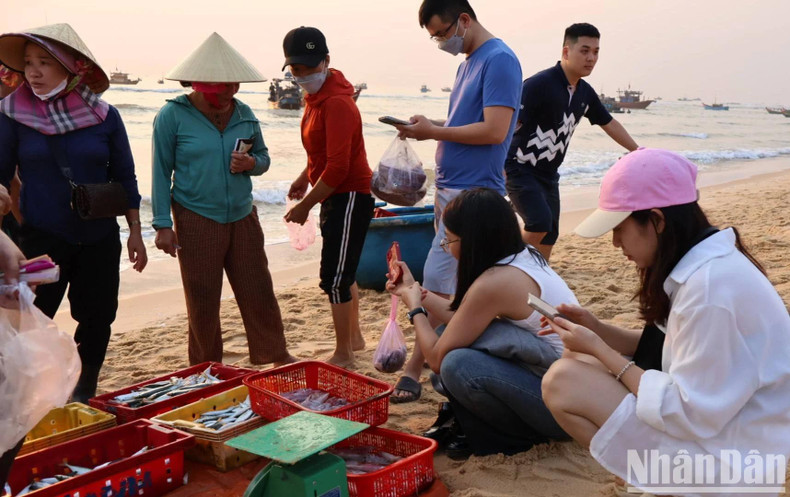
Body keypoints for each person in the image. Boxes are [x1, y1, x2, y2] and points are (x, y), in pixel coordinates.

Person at [541, 148, 790, 495]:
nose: (614, 243)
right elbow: (665, 344)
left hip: (730, 464)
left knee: (562, 381)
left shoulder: (710, 290)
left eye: (620, 228)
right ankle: (651, 479)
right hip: (730, 433)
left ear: (657, 220)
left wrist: (599, 348)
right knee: (577, 360)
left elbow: (687, 411)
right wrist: (595, 329)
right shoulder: (705, 267)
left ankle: (656, 482)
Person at [0, 23, 147, 403]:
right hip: (41, 238)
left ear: (70, 67)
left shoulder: (104, 115)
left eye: (45, 62)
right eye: (29, 63)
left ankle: (83, 392)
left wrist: (135, 229)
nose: (33, 71)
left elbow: (125, 175)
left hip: (99, 237)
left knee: (97, 320)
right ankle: (32, 397)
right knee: (33, 323)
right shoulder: (11, 114)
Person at [391, 0, 522, 403]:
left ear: (464, 20)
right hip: (450, 187)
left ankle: (416, 368)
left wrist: (435, 133)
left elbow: (495, 130)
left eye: (443, 33)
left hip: (471, 193)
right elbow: (469, 121)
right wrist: (428, 127)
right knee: (448, 283)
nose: (441, 41)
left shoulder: (499, 59)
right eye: (435, 36)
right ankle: (438, 361)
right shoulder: (468, 61)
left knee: (433, 278)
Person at [387, 188, 575, 459]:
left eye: (448, 241)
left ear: (471, 241)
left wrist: (414, 308)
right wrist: (417, 291)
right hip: (565, 387)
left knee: (456, 365)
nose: (447, 247)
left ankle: (514, 436)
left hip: (561, 411)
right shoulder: (522, 256)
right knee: (451, 339)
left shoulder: (495, 283)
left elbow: (437, 359)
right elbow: (464, 319)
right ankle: (483, 422)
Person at [152, 33, 294, 367]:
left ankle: (275, 354)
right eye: (222, 86)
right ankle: (206, 365)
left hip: (243, 215)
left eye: (234, 84)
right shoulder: (172, 116)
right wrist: (162, 224)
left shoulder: (244, 113)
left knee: (258, 288)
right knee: (202, 298)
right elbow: (160, 172)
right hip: (196, 216)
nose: (230, 92)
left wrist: (252, 163)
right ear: (199, 83)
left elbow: (263, 158)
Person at [505, 23, 638, 261]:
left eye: (596, 52)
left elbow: (609, 123)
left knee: (550, 233)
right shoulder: (539, 84)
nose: (591, 58)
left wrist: (639, 151)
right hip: (518, 167)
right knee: (539, 223)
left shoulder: (584, 92)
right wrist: (497, 167)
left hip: (548, 174)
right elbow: (508, 126)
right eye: (584, 51)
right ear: (566, 52)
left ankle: (538, 276)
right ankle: (506, 270)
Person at [282, 26, 374, 367]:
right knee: (342, 270)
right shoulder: (315, 100)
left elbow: (337, 167)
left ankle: (344, 353)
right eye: (296, 70)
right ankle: (354, 339)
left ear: (326, 61)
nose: (303, 76)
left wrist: (306, 205)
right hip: (335, 193)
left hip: (349, 195)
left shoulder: (337, 103)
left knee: (333, 277)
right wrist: (303, 179)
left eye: (309, 67)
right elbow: (320, 155)